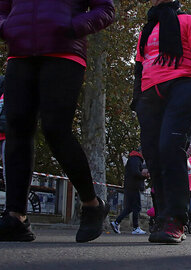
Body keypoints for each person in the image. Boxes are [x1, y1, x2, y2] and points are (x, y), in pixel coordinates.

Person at [0, 0, 115, 243]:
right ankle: (15, 216)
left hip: (64, 52)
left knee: (55, 129)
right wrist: (7, 26)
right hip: (19, 53)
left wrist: (72, 26)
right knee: (17, 129)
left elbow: (105, 9)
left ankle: (92, 204)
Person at [131, 0, 191, 244]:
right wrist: (137, 100)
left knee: (170, 148)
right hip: (149, 94)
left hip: (182, 87)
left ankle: (177, 218)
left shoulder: (188, 21)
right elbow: (139, 65)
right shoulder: (146, 31)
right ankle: (163, 215)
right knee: (153, 154)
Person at [110, 149, 149, 235]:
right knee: (137, 207)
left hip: (130, 186)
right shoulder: (135, 159)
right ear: (141, 152)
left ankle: (116, 222)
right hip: (133, 186)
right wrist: (144, 176)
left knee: (129, 208)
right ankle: (135, 227)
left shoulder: (134, 159)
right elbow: (135, 173)